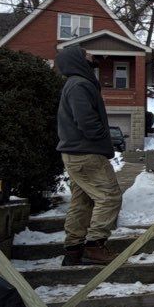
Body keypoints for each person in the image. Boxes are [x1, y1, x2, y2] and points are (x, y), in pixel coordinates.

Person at [55, 42, 122, 265]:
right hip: (86, 154)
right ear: (78, 60)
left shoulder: (77, 84)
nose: (91, 56)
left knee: (82, 202)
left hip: (77, 154)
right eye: (86, 54)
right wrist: (101, 135)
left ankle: (73, 249)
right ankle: (95, 245)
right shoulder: (79, 85)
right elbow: (86, 121)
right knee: (109, 196)